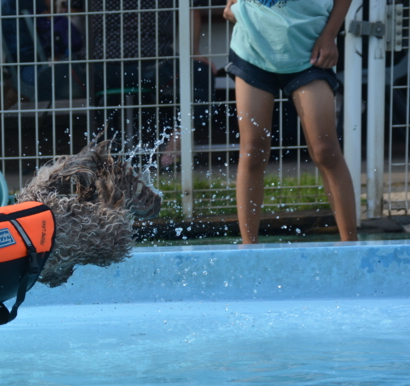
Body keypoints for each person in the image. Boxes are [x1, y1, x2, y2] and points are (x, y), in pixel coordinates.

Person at [223, 0, 358, 243]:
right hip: (253, 49)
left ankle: (351, 247)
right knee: (252, 150)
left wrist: (329, 35)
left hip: (310, 51)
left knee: (325, 150)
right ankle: (248, 249)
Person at [73, 0, 214, 164]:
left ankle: (101, 153)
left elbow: (72, 14)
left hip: (99, 68)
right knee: (200, 72)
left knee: (67, 79)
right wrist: (194, 52)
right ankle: (176, 139)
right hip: (152, 65)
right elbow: (191, 9)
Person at [0, 0, 87, 104]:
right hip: (35, 69)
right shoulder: (19, 4)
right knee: (82, 74)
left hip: (22, 67)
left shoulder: (1, 4)